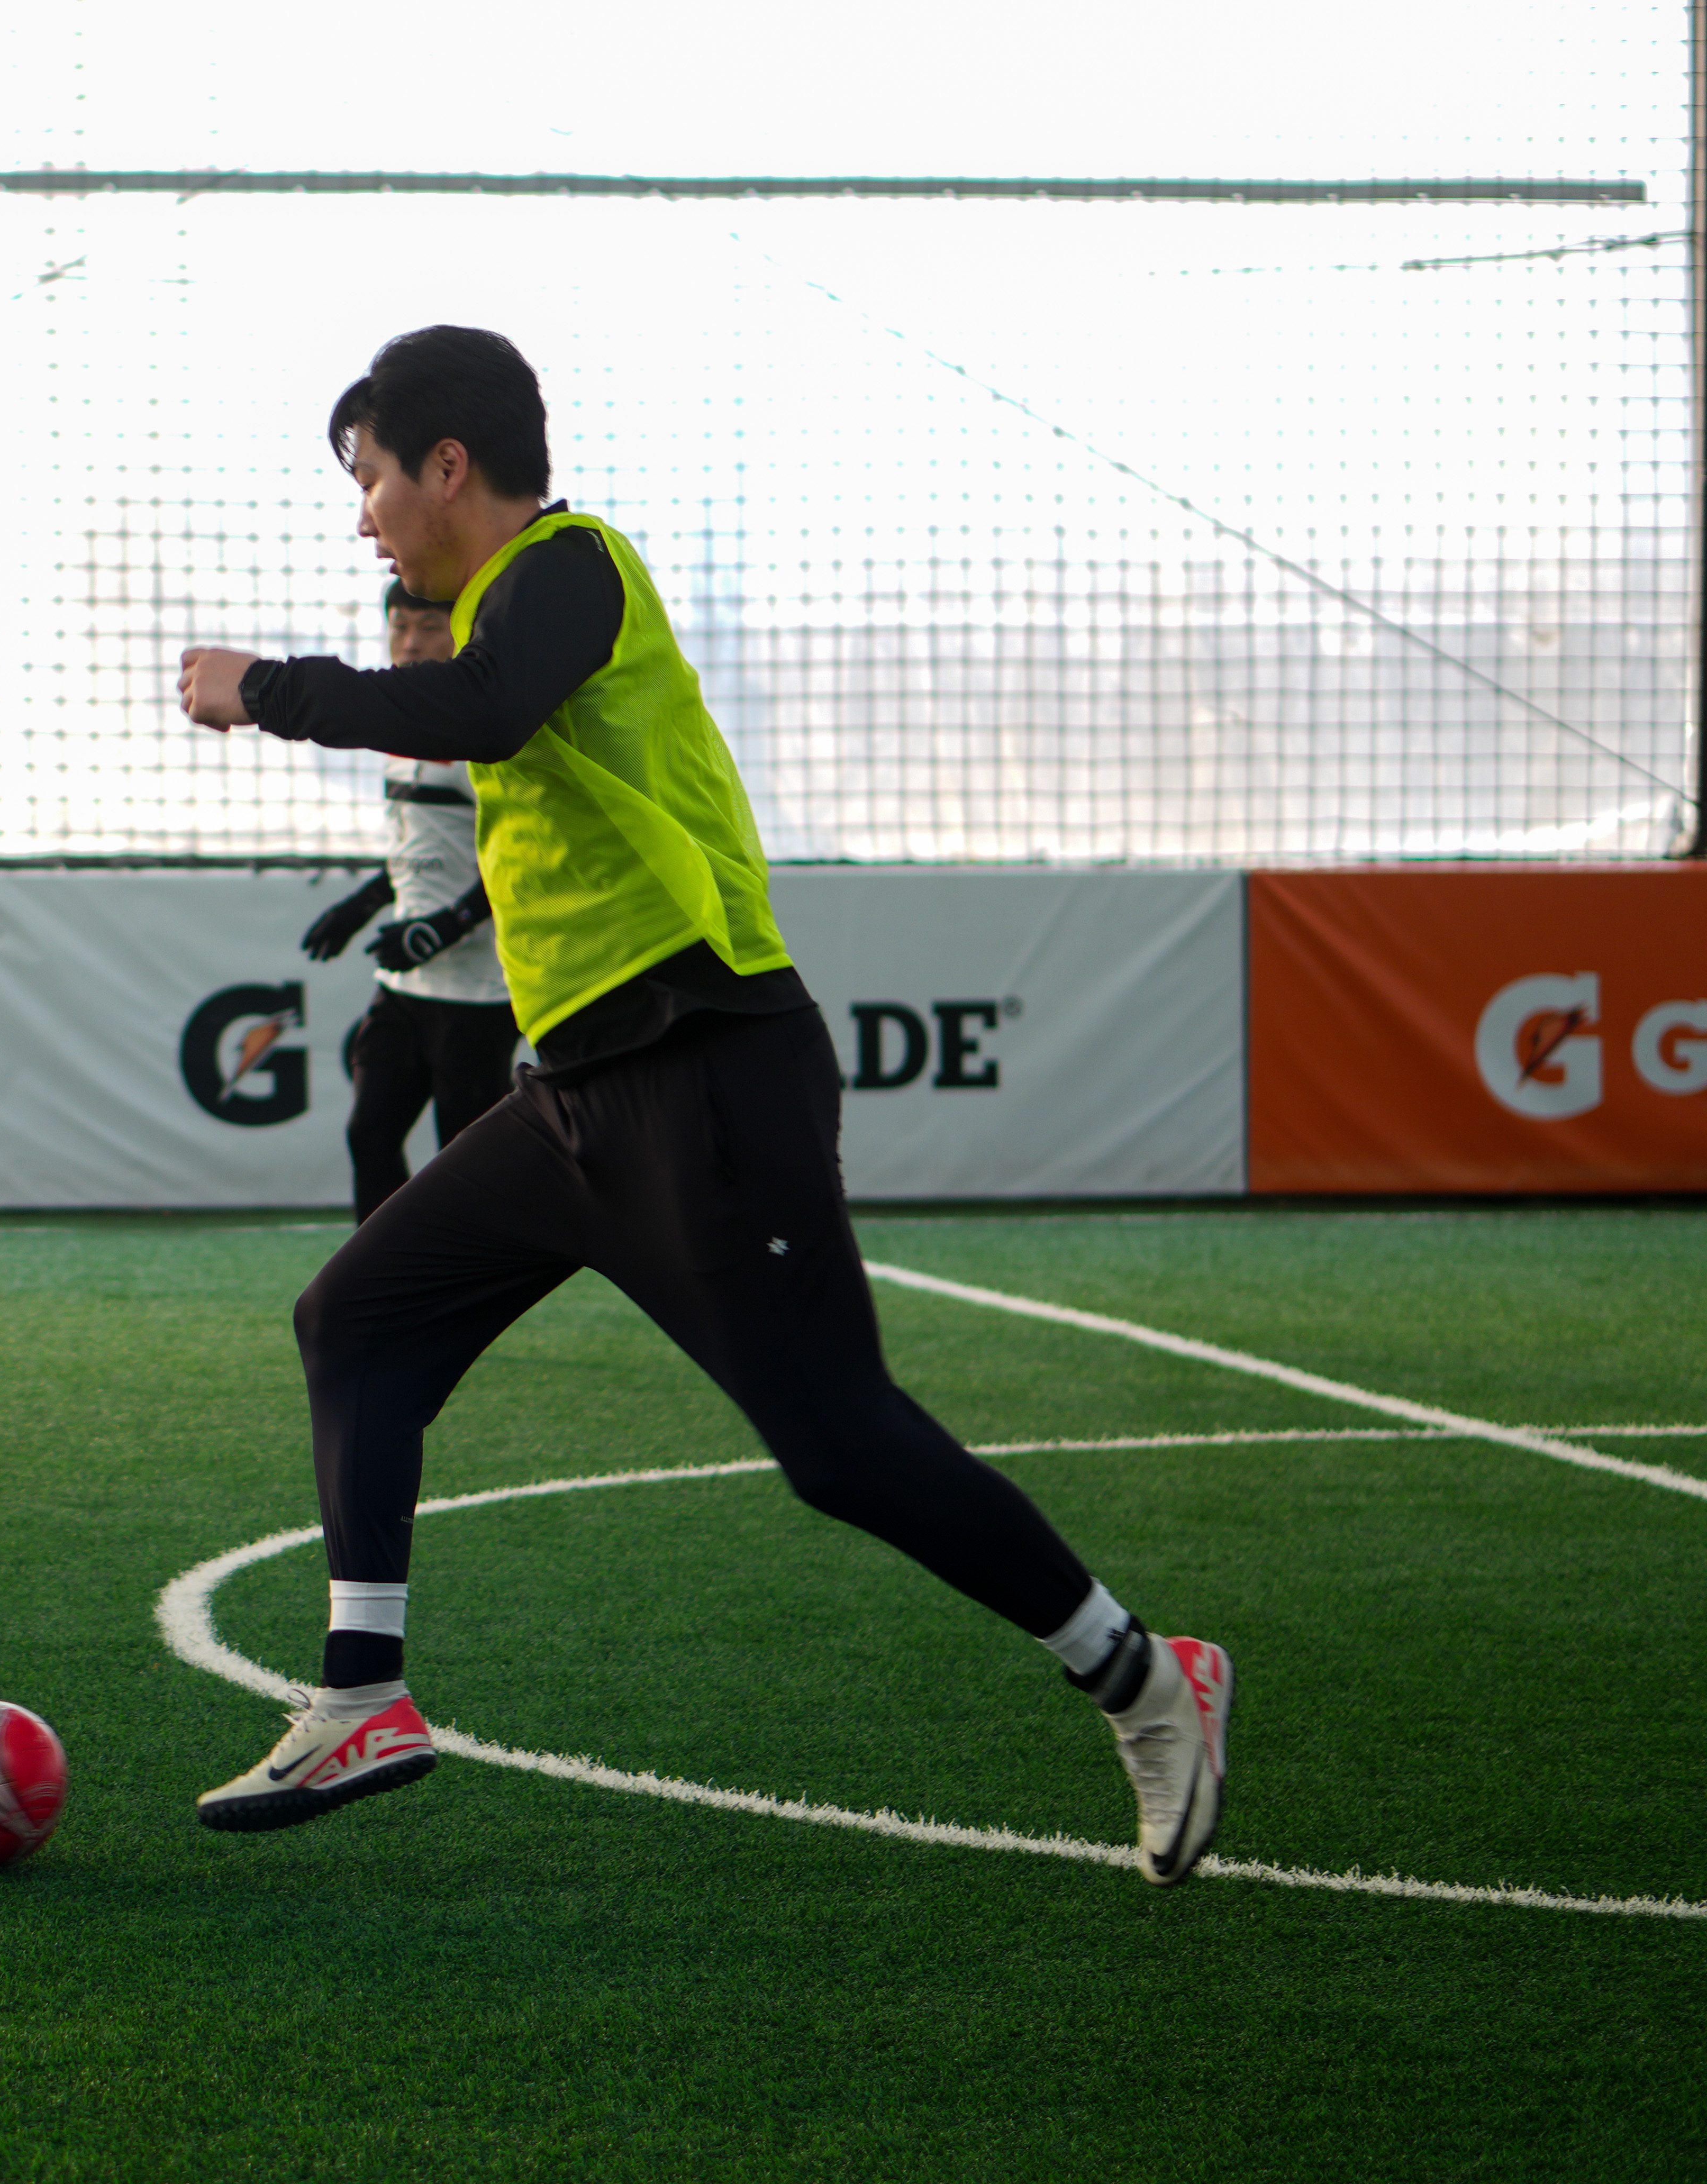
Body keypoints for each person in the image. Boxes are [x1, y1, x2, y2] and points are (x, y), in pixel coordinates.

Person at [173, 326, 1232, 1886]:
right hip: (576, 1098)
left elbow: (488, 706)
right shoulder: (494, 613)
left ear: (449, 467)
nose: (365, 517)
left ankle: (1141, 1675)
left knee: (838, 1445)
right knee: (355, 1316)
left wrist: (268, 688)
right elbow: (478, 718)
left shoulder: (571, 568)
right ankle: (362, 1696)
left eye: (373, 478)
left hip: (708, 1070)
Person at [301, 580, 521, 1222]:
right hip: (403, 988)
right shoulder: (399, 730)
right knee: (369, 1135)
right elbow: (417, 848)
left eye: (428, 628)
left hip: (478, 994)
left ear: (461, 634)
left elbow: (521, 859)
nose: (411, 643)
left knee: (466, 1162)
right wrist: (365, 903)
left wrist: (445, 927)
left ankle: (469, 1273)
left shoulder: (490, 733)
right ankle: (384, 1268)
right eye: (400, 627)